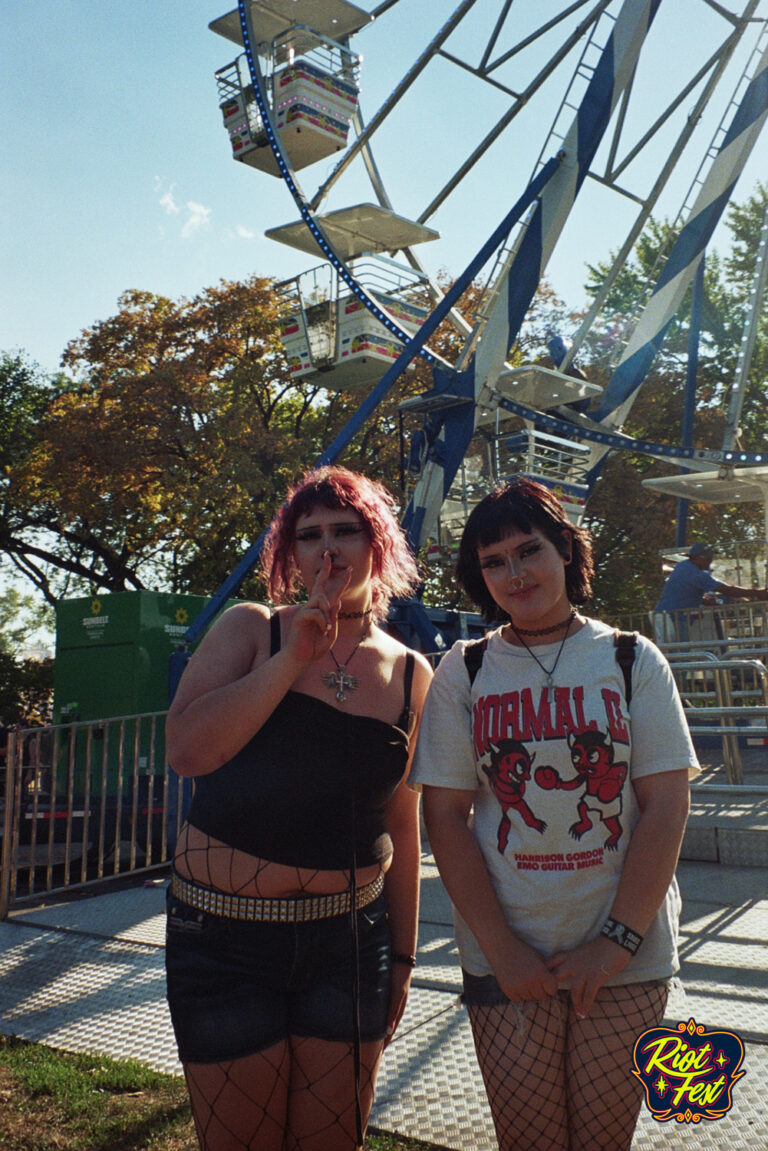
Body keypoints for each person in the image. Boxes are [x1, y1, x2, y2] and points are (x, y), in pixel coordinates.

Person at [410, 478, 699, 1151]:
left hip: (625, 953)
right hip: (510, 952)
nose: (515, 572)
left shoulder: (631, 658)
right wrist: (503, 948)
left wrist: (616, 940)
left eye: (528, 550)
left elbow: (665, 805)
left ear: (567, 551)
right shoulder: (467, 669)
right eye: (494, 561)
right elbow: (446, 816)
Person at [164, 466, 432, 1151]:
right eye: (309, 535)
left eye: (347, 530)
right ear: (290, 554)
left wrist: (402, 956)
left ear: (380, 545)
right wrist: (290, 663)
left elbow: (402, 823)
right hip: (224, 943)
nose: (329, 549)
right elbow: (187, 751)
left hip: (348, 943)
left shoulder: (409, 673)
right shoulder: (252, 631)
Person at [653, 541, 768, 642]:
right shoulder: (696, 574)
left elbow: (681, 591)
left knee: (675, 654)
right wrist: (757, 593)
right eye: (708, 559)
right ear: (698, 558)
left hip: (665, 616)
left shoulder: (683, 566)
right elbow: (727, 590)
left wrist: (701, 599)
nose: (710, 562)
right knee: (681, 655)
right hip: (674, 619)